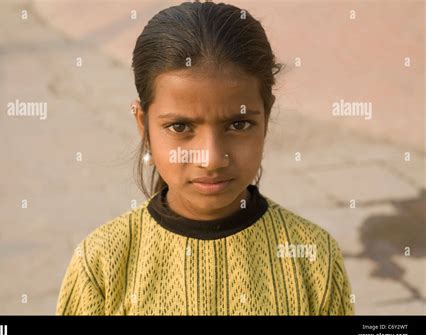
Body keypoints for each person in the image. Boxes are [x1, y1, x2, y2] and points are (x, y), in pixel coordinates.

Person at [56, 1, 354, 315]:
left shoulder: (313, 258)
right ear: (143, 124)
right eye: (180, 126)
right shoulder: (102, 262)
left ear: (266, 117)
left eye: (238, 124)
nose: (211, 159)